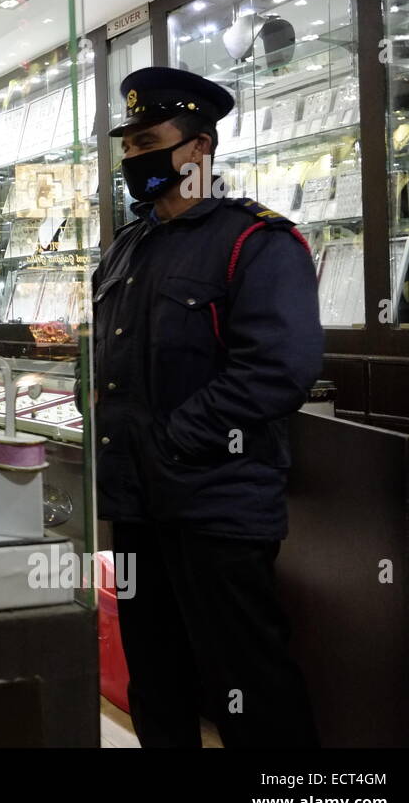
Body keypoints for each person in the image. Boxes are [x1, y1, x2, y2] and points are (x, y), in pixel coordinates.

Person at [93, 66, 323, 747]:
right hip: (137, 506)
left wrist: (174, 438)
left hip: (217, 506)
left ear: (198, 148)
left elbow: (281, 368)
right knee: (155, 679)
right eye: (128, 145)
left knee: (249, 683)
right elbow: (108, 362)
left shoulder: (256, 241)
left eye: (149, 141)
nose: (135, 157)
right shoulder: (127, 249)